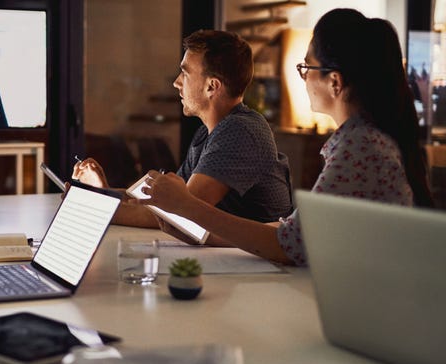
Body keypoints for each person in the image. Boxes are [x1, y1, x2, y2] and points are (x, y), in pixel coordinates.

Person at [136, 8, 433, 266]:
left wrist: (188, 209)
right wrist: (199, 228)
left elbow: (288, 246)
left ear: (335, 82)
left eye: (306, 68)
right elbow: (288, 232)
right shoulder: (360, 141)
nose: (302, 79)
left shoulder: (360, 147)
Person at [73, 29, 293, 227]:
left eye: (185, 73)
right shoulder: (208, 133)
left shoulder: (240, 131)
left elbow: (178, 214)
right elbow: (163, 202)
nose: (177, 82)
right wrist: (101, 193)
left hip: (260, 268)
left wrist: (90, 206)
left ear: (211, 86)